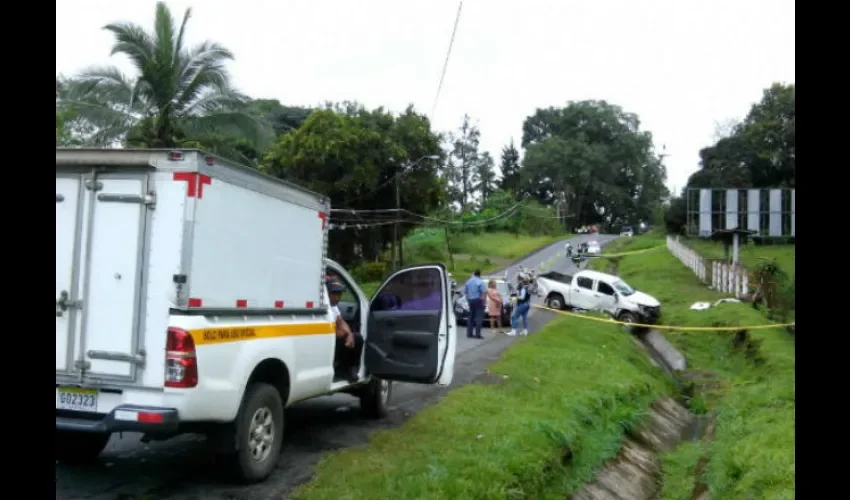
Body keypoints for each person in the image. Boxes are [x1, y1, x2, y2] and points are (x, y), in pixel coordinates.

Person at [327, 277, 364, 383]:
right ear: (327, 293)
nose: (338, 297)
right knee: (342, 337)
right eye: (334, 293)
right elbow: (331, 331)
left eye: (339, 293)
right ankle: (337, 369)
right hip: (327, 342)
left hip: (335, 341)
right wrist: (344, 334)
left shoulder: (334, 307)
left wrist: (349, 334)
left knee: (357, 338)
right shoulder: (324, 307)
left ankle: (351, 370)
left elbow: (341, 322)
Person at [463, 269, 487, 339]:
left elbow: (466, 292)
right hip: (478, 300)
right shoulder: (480, 281)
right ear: (479, 274)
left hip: (471, 300)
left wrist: (468, 300)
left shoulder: (468, 281)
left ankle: (469, 333)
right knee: (479, 318)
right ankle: (477, 334)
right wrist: (484, 301)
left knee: (471, 317)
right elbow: (484, 292)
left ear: (474, 273)